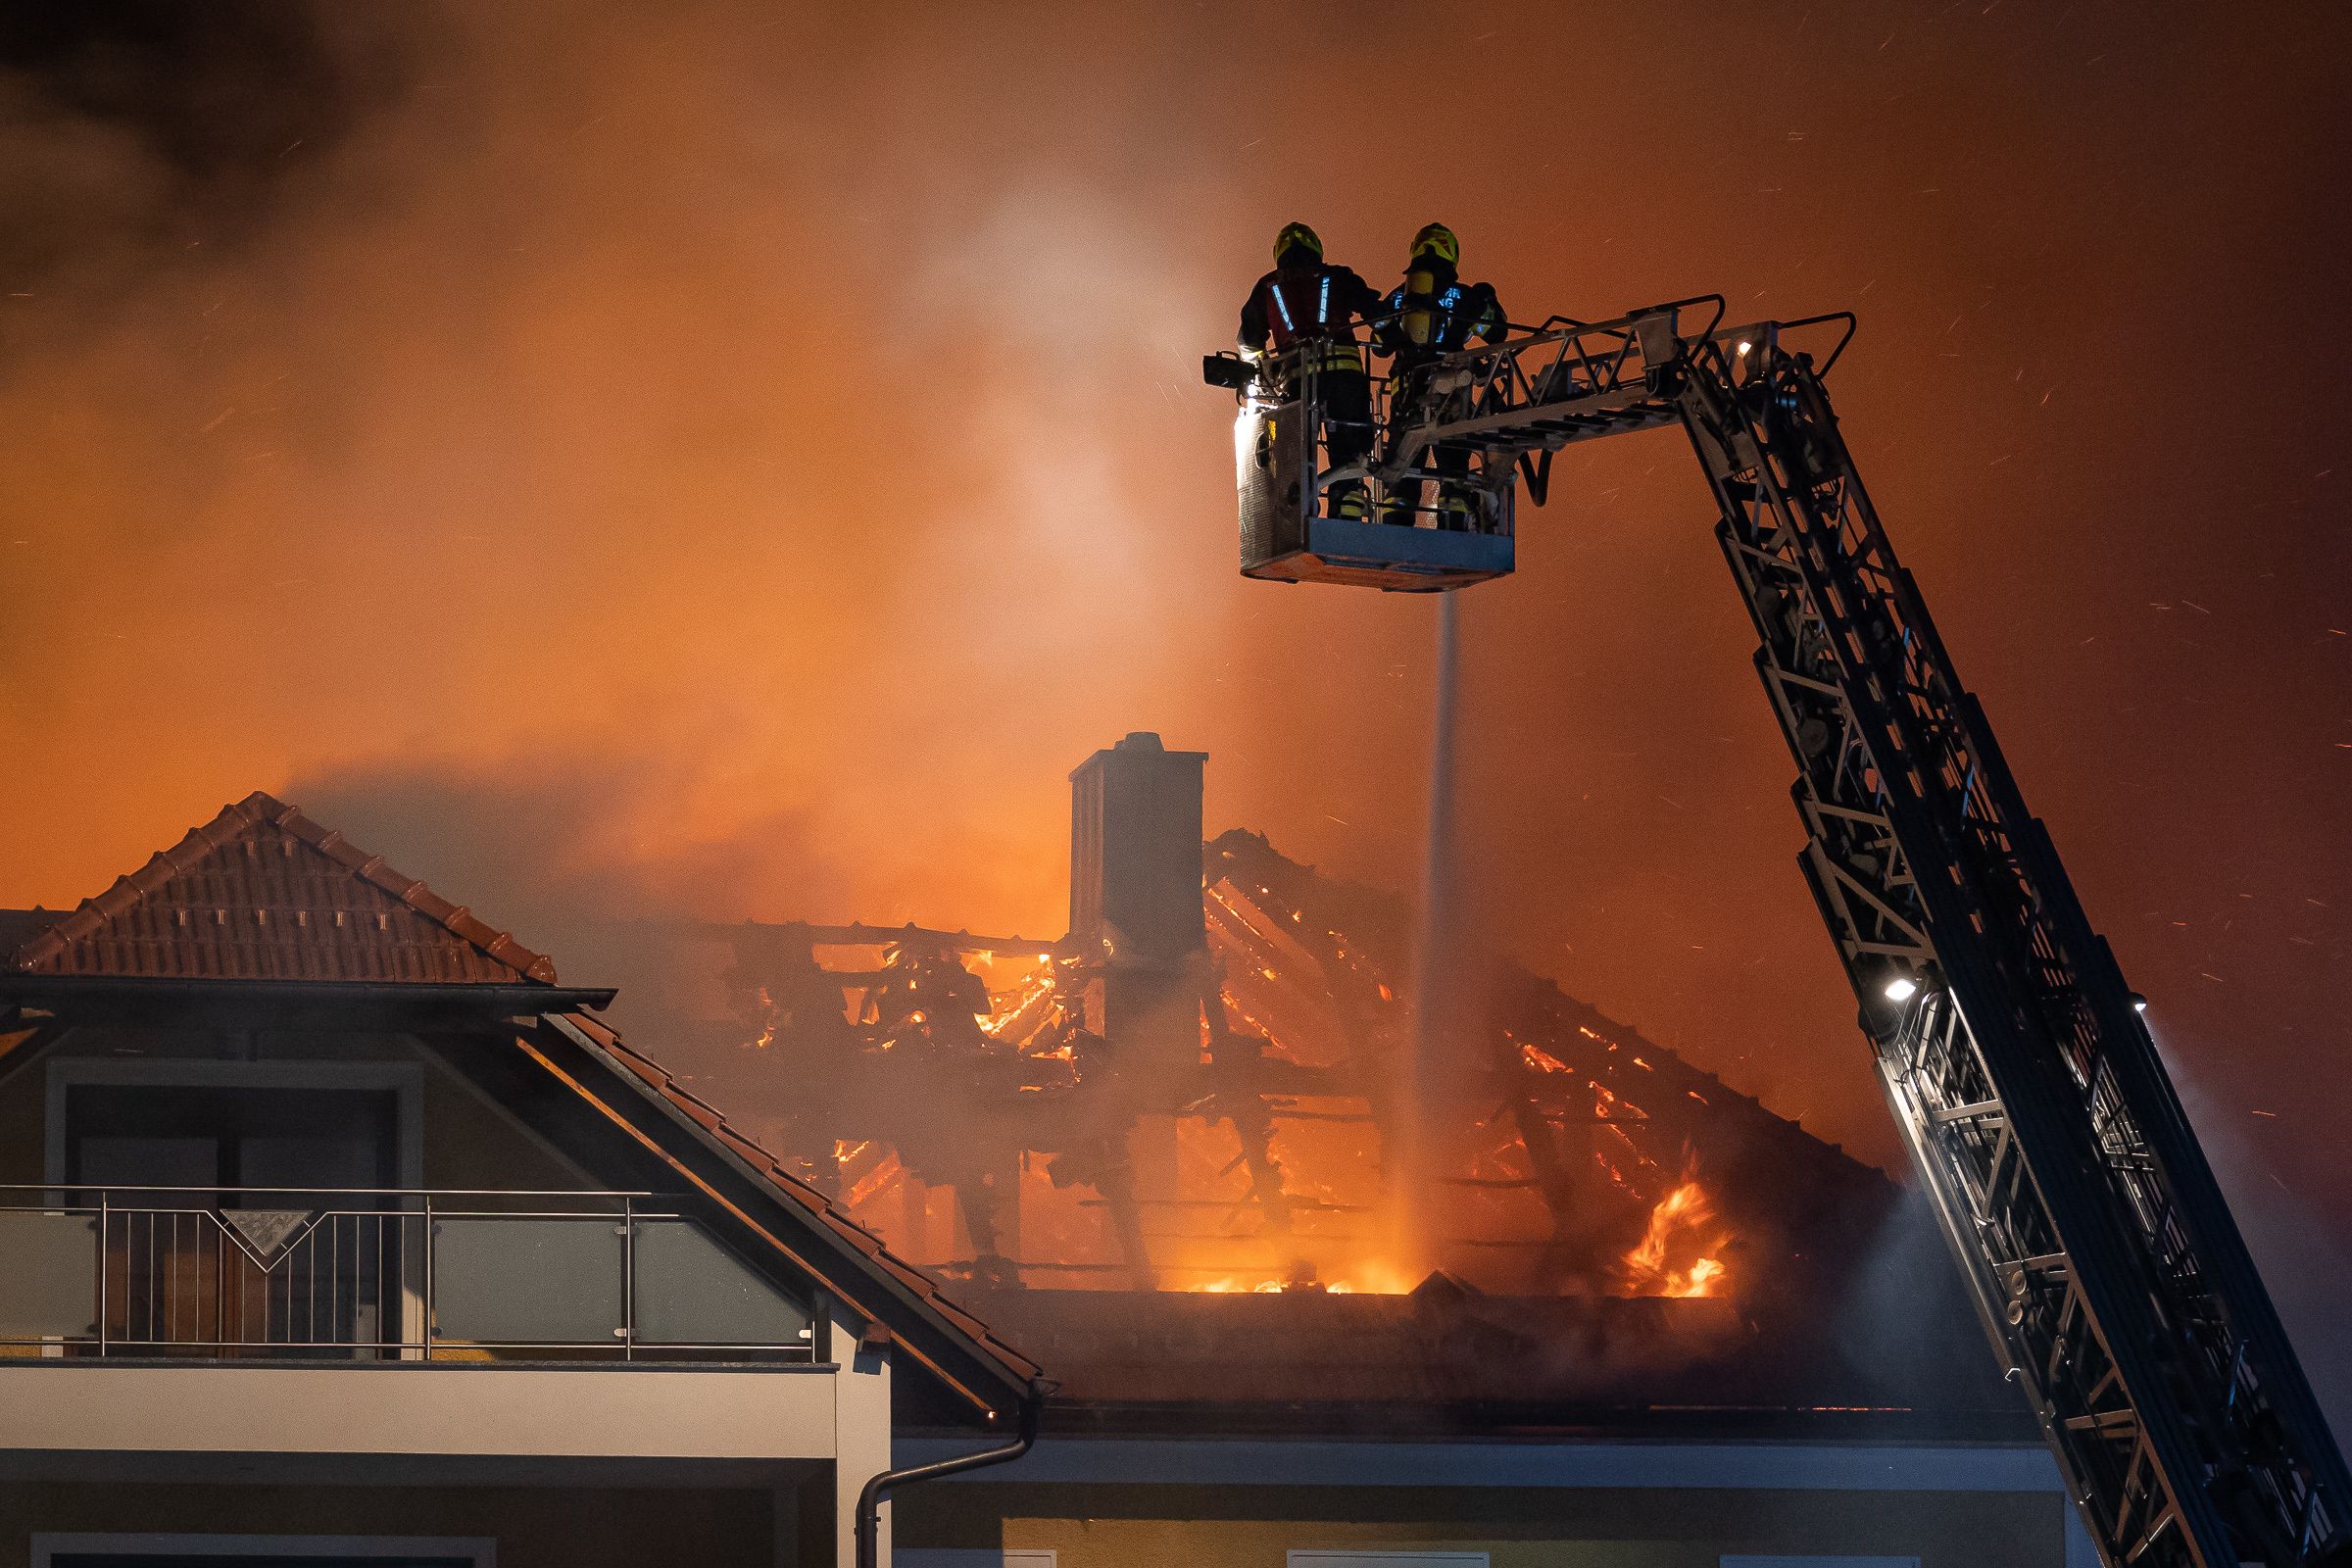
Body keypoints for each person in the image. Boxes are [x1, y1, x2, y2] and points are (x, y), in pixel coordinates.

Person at [1237, 221, 1385, 520]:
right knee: (1350, 453)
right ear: (1316, 247)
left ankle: (1301, 516)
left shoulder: (1267, 286)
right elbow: (1377, 313)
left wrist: (1264, 373)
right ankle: (1347, 515)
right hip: (1346, 383)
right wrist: (1389, 338)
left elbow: (1249, 342)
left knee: (1295, 457)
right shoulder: (1339, 276)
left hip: (1298, 385)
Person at [1378, 222, 1507, 528]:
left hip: (1405, 393)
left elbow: (1380, 344)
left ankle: (1395, 526)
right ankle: (1454, 525)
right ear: (1452, 253)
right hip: (1453, 393)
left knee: (1403, 466)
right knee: (1454, 467)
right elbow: (1496, 333)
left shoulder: (1399, 296)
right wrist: (1489, 300)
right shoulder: (1464, 297)